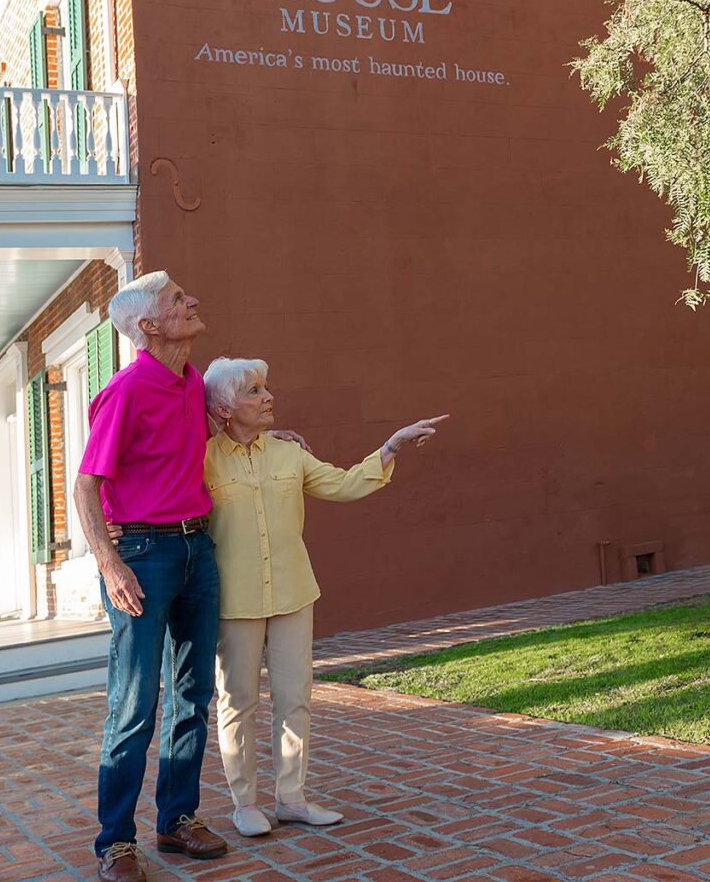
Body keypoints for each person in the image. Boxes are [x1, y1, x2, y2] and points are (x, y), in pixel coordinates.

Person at [202, 356, 447, 837]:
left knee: (295, 699)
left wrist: (390, 447)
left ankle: (291, 798)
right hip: (235, 599)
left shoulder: (290, 454)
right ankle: (244, 802)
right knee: (238, 702)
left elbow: (343, 482)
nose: (269, 397)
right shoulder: (202, 458)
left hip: (294, 592)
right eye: (254, 391)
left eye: (266, 387)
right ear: (225, 408)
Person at [74, 271, 226, 882]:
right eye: (175, 302)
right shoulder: (128, 389)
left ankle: (177, 819)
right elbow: (87, 484)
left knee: (193, 694)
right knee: (134, 705)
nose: (190, 302)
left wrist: (271, 441)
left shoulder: (192, 381)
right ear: (148, 326)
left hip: (197, 549)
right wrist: (109, 562)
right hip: (141, 555)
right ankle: (115, 843)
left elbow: (211, 432)